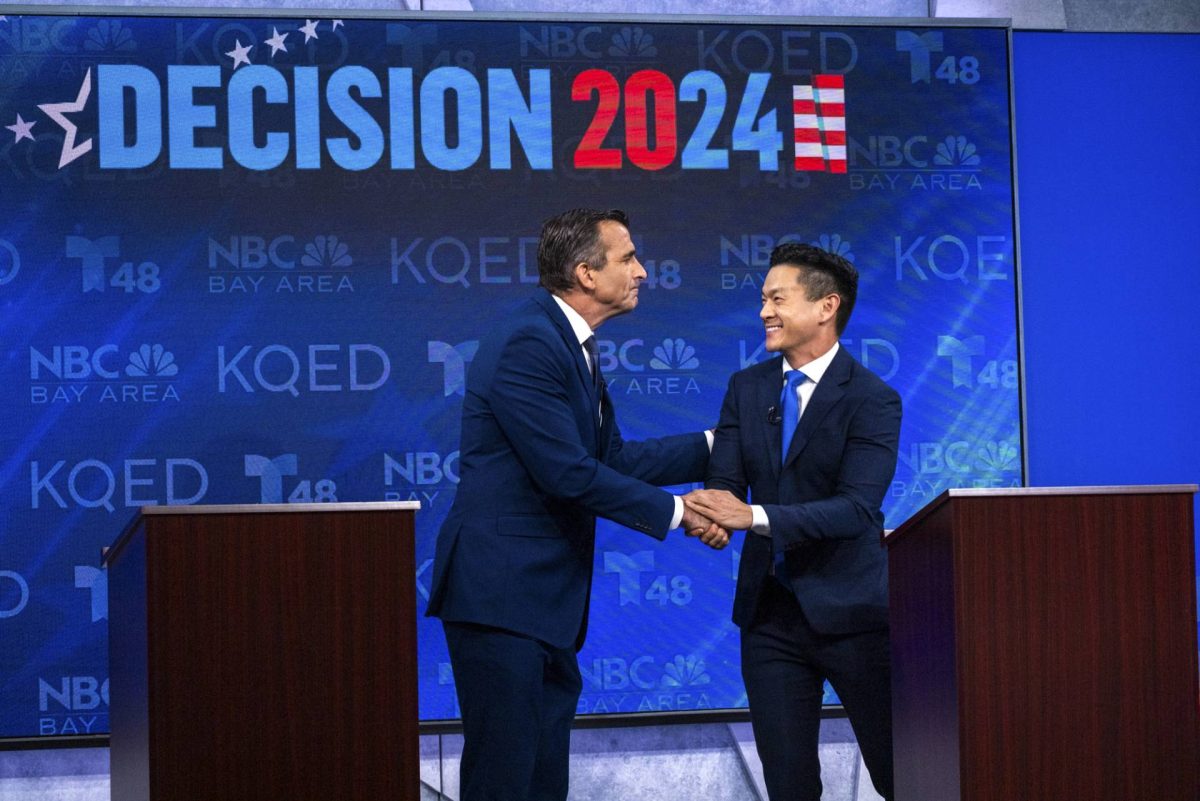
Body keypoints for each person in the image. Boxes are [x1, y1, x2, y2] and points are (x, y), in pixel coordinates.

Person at [426, 208, 726, 801]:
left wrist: (721, 448)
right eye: (629, 258)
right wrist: (679, 512)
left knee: (541, 781)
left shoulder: (572, 344)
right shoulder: (530, 341)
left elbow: (608, 461)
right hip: (503, 598)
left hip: (543, 603)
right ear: (586, 273)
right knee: (505, 779)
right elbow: (566, 473)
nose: (642, 271)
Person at [685, 242, 901, 800]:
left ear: (827, 306)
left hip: (854, 615)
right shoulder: (747, 387)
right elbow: (726, 481)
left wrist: (749, 516)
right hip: (770, 617)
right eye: (762, 299)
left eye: (777, 298)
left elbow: (857, 509)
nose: (764, 312)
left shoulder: (874, 400)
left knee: (901, 771)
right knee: (789, 784)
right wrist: (711, 516)